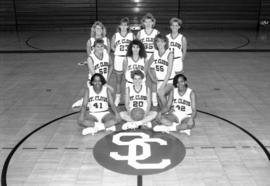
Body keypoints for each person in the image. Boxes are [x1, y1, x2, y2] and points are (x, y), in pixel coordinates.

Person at [72, 39, 113, 110]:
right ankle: (83, 101)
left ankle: (88, 99)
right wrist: (106, 85)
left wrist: (107, 79)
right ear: (93, 48)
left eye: (102, 46)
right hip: (94, 82)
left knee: (105, 101)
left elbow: (111, 65)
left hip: (103, 81)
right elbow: (94, 75)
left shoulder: (106, 55)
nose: (100, 48)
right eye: (98, 46)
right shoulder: (90, 58)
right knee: (96, 104)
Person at [111, 17, 135, 106]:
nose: (124, 27)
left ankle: (130, 97)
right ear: (119, 26)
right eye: (122, 25)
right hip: (118, 58)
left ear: (128, 26)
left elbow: (136, 45)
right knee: (118, 80)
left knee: (129, 79)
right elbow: (112, 46)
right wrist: (117, 51)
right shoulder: (116, 35)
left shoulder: (131, 35)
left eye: (126, 25)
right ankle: (118, 97)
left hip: (128, 59)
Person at [148, 33, 174, 107]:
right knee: (160, 104)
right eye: (158, 41)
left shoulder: (170, 54)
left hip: (170, 81)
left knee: (160, 93)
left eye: (162, 41)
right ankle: (168, 105)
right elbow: (147, 66)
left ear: (165, 43)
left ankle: (167, 112)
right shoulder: (155, 53)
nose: (160, 43)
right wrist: (152, 78)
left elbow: (169, 73)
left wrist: (162, 86)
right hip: (159, 81)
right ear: (155, 43)